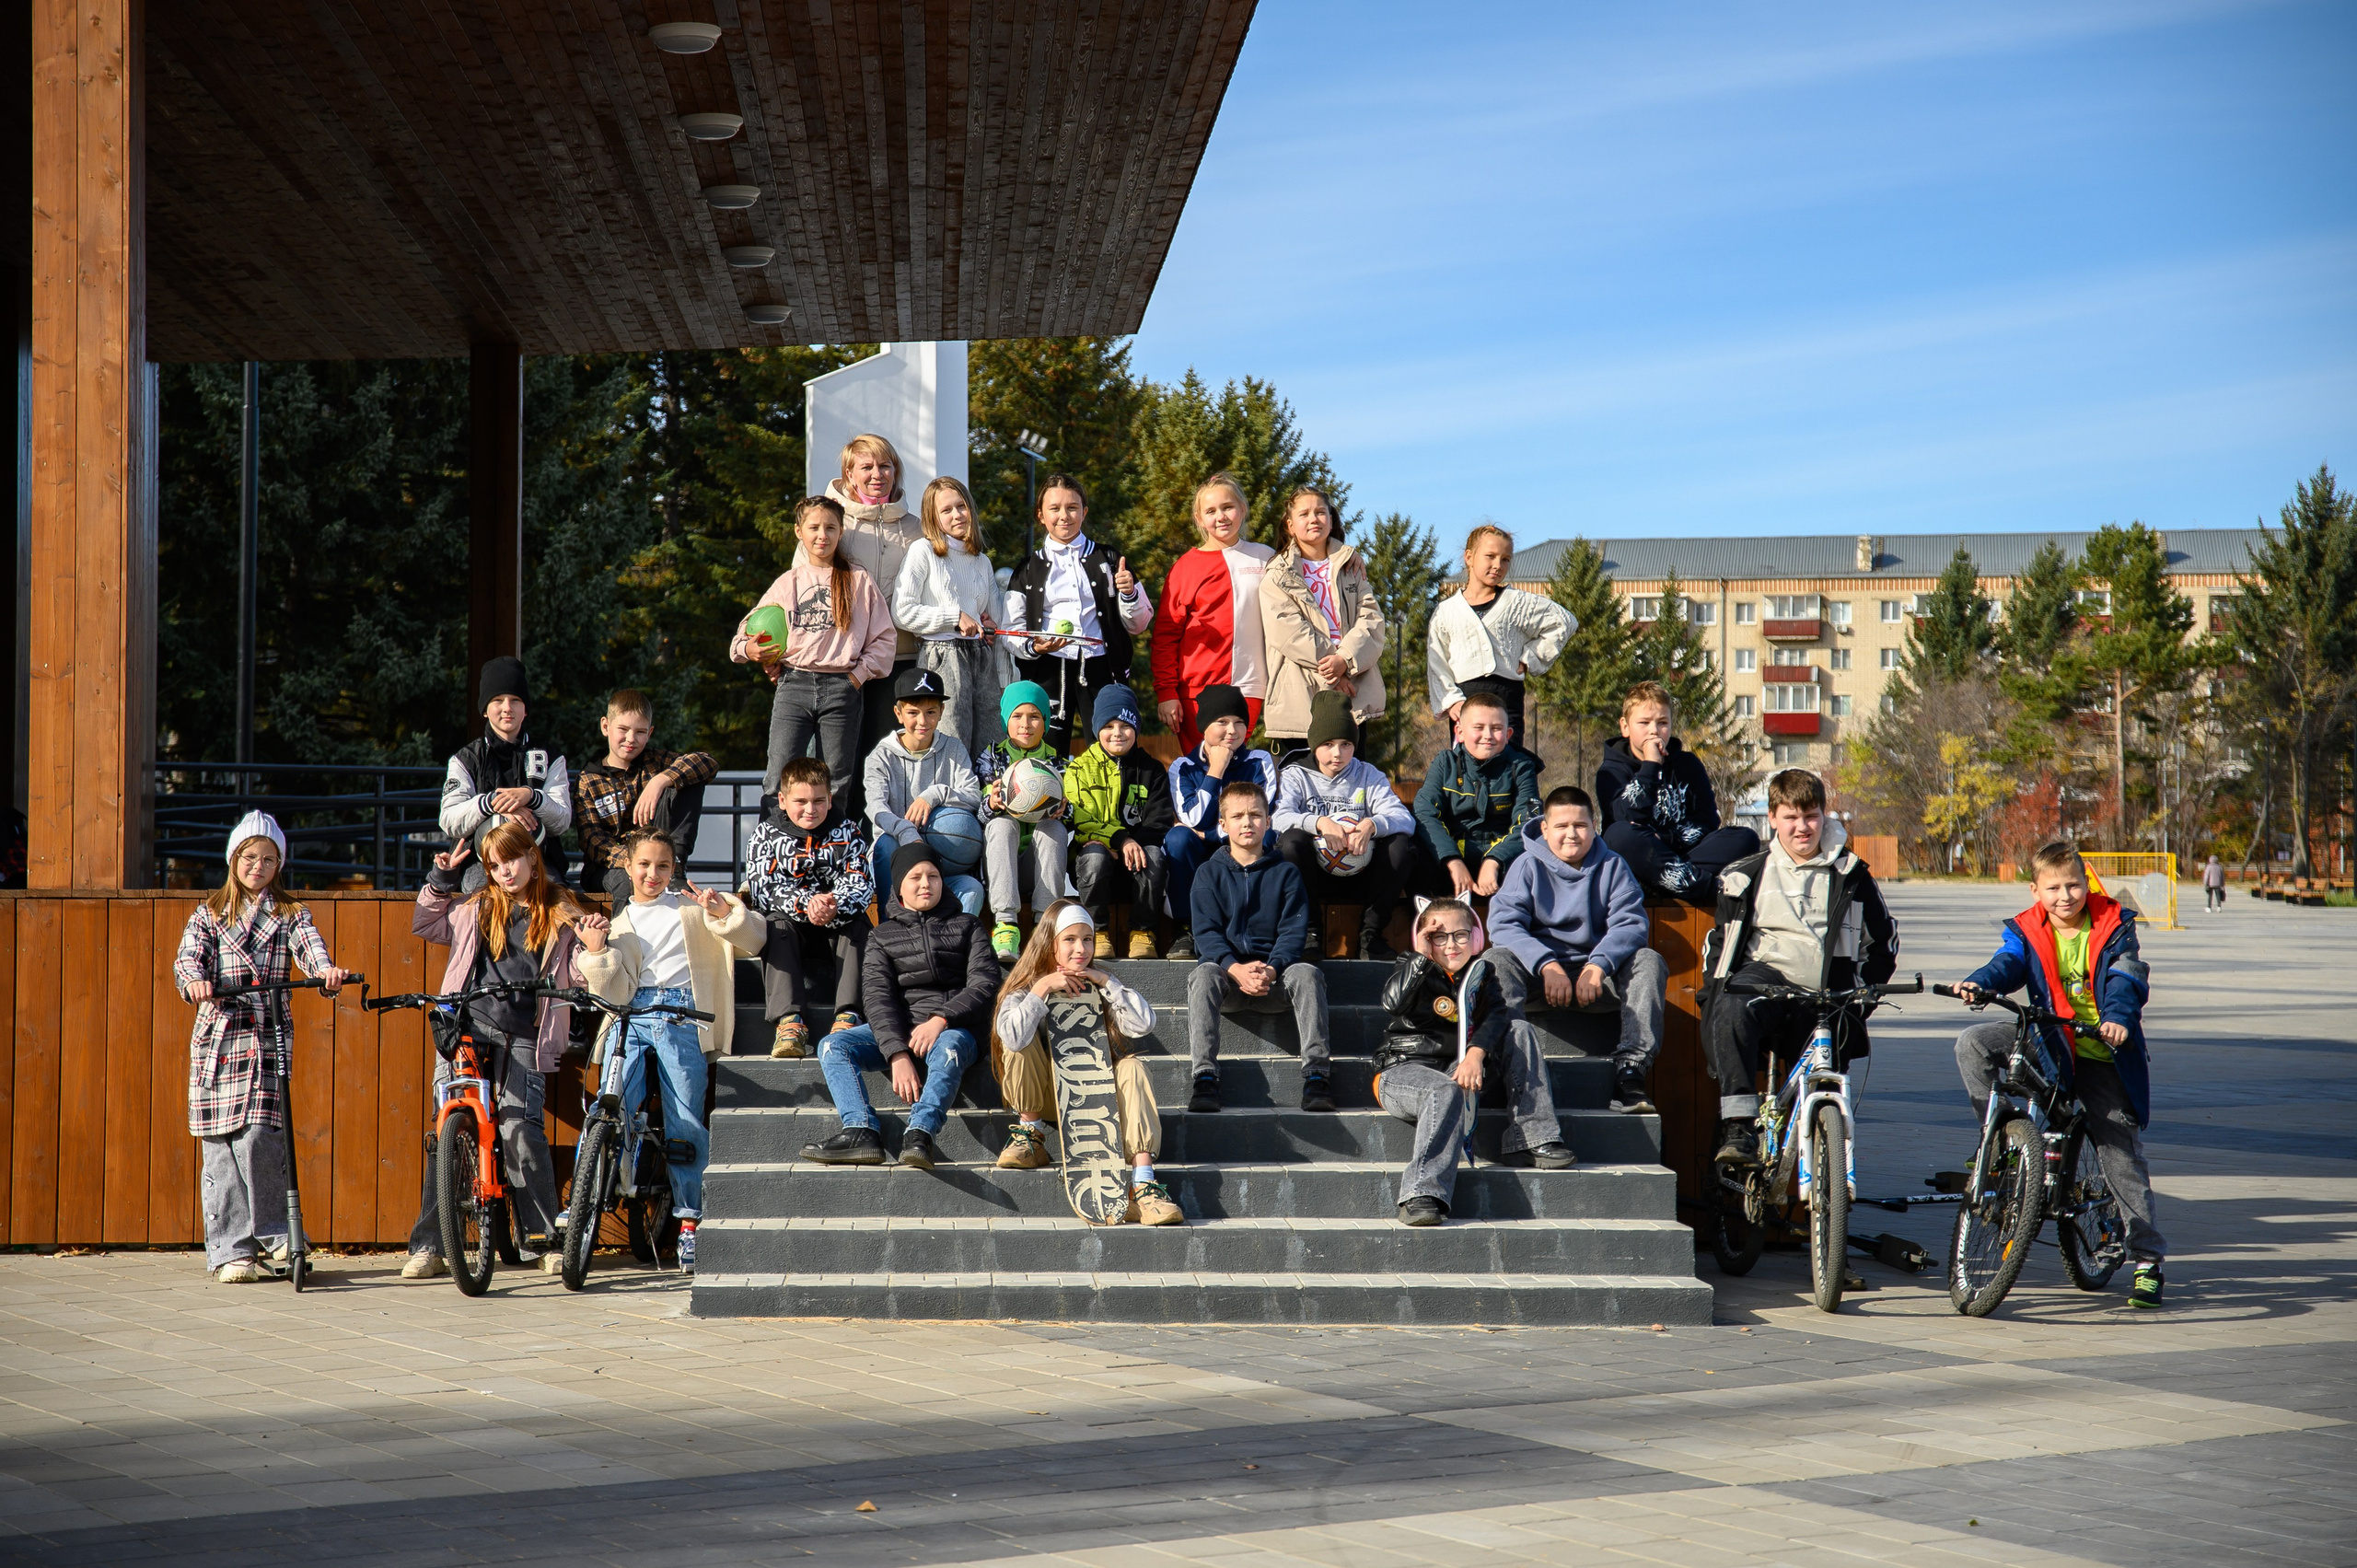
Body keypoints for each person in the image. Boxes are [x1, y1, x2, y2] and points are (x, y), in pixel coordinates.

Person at [1954, 841, 2166, 1307]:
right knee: (1974, 1042)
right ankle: (2000, 1143)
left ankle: (2147, 1262)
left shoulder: (2114, 924)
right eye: (2053, 888)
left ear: (2086, 884)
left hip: (2101, 1052)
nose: (2065, 896)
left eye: (2073, 885)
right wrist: (1979, 982)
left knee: (2121, 1157)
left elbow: (2127, 977)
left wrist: (2117, 1018)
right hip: (2050, 1043)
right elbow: (2008, 963)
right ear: (2035, 891)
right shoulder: (2028, 927)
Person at [401, 821, 598, 1279]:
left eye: (511, 859)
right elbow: (426, 923)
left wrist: (594, 947)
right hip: (466, 1026)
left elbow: (580, 976)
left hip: (526, 1033)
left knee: (520, 1129)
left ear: (532, 857)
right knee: (450, 1128)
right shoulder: (476, 906)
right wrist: (442, 880)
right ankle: (431, 1246)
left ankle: (542, 1238)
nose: (504, 871)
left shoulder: (561, 910)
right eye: (493, 865)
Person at [172, 811, 352, 1283]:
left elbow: (311, 950)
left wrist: (326, 973)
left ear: (280, 865)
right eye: (250, 857)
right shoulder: (209, 913)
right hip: (218, 1039)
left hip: (265, 1036)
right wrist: (194, 982)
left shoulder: (291, 913)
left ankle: (276, 1233)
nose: (258, 866)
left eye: (269, 859)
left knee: (258, 1137)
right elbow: (187, 959)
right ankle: (232, 1251)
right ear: (234, 859)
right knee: (220, 1145)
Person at [575, 830, 763, 1275]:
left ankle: (690, 1222)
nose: (653, 874)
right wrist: (596, 952)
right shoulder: (620, 921)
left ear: (674, 868)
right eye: (644, 864)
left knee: (685, 1121)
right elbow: (609, 993)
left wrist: (724, 912)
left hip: (683, 1015)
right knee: (607, 1107)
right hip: (630, 1015)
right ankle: (584, 1199)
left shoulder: (692, 908)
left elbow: (753, 939)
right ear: (627, 866)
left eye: (663, 865)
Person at [1699, 770, 1898, 1169]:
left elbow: (1884, 943)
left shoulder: (1852, 874)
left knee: (1828, 1086)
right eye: (1790, 817)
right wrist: (1713, 995)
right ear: (1772, 818)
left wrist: (1862, 995)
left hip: (1827, 990)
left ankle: (1828, 1172)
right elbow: (1718, 948)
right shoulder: (1746, 875)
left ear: (1824, 815)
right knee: (1732, 1006)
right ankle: (1739, 1126)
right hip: (1767, 979)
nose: (1802, 827)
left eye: (1810, 816)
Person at [800, 842, 996, 1169]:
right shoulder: (882, 935)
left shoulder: (969, 926)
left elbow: (985, 984)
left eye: (933, 876)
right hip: (900, 1030)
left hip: (954, 1030)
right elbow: (877, 998)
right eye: (915, 877)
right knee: (833, 1045)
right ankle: (860, 1130)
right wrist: (896, 1053)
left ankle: (920, 1133)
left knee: (950, 1045)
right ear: (899, 887)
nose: (926, 884)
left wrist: (940, 1019)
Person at [1376, 899, 1572, 1226]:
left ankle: (1531, 1139)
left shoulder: (1482, 973)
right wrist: (1421, 958)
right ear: (1425, 939)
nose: (1451, 945)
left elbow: (1497, 1017)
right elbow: (1392, 1004)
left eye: (1461, 935)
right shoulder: (1411, 964)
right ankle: (1421, 1193)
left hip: (1461, 1067)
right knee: (1442, 1089)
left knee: (1519, 1029)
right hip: (1405, 1070)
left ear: (1476, 938)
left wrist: (1475, 1054)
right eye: (1439, 937)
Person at [991, 901, 1183, 1225]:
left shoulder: (1102, 982)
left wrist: (1107, 983)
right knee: (1019, 1041)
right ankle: (1030, 1135)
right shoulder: (1026, 987)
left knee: (1133, 1067)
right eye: (1070, 939)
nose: (1081, 949)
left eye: (1088, 939)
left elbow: (1143, 1024)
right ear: (1050, 942)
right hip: (1047, 1096)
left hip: (1097, 1095)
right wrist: (1042, 988)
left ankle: (1143, 1185)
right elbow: (1009, 1036)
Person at [1487, 785, 1668, 1117]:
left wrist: (1598, 966)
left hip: (1597, 982)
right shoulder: (1526, 865)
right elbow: (1503, 925)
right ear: (1545, 828)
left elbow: (1631, 925)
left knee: (1648, 960)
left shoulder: (1613, 866)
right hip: (1540, 980)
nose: (1571, 834)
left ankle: (1630, 1073)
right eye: (1561, 826)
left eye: (1580, 825)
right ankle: (1506, 1063)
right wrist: (1546, 964)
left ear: (1594, 826)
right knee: (1494, 961)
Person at [732, 493, 896, 802]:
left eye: (831, 528)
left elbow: (885, 639)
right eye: (814, 527)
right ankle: (772, 833)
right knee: (779, 773)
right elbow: (745, 633)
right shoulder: (788, 582)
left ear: (841, 532)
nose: (823, 535)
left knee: (836, 779)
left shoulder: (859, 581)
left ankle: (833, 835)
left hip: (843, 688)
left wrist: (857, 677)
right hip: (794, 685)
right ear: (799, 531)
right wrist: (748, 650)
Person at [1186, 781, 1332, 1115]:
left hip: (1275, 980)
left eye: (1255, 815)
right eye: (1237, 816)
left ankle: (1317, 1077)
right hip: (1228, 982)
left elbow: (1293, 933)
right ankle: (1205, 1078)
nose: (1247, 822)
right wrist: (1235, 968)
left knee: (1307, 973)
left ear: (1268, 821)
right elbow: (1205, 934)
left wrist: (1272, 969)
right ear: (1223, 824)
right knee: (1203, 975)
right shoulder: (1208, 873)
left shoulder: (1286, 873)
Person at [1004, 472, 1155, 756]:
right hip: (1047, 669)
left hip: (1102, 667)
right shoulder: (1026, 569)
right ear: (1041, 515)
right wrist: (1034, 647)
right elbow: (1010, 631)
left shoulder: (1111, 559)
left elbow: (1139, 624)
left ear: (1085, 512)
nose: (1064, 515)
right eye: (1055, 508)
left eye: (1072, 507)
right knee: (1046, 752)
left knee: (1110, 749)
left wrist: (1129, 593)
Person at [812, 434, 925, 789]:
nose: (877, 474)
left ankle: (879, 825)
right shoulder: (829, 522)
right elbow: (801, 587)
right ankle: (837, 825)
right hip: (839, 660)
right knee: (836, 759)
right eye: (867, 467)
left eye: (885, 466)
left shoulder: (916, 528)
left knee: (885, 758)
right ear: (849, 473)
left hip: (897, 659)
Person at [741, 756, 872, 1060]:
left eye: (818, 801)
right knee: (775, 924)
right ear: (782, 800)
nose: (810, 809)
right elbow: (763, 889)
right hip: (791, 930)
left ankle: (849, 1017)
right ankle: (789, 1022)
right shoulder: (765, 834)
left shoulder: (849, 832)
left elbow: (861, 884)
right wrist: (806, 903)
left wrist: (834, 904)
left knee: (859, 924)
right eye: (800, 801)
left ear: (830, 799)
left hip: (836, 925)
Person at [1271, 690, 1417, 959]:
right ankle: (1310, 933)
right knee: (1291, 843)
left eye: (1346, 744)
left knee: (1401, 846)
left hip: (1360, 870)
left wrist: (1371, 825)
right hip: (1313, 877)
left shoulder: (1368, 774)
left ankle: (1371, 936)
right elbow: (1279, 818)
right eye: (1328, 744)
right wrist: (1319, 822)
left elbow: (1404, 818)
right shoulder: (1296, 774)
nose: (1337, 753)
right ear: (1314, 743)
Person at [1594, 681, 1759, 901]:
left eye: (1662, 722)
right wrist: (1651, 765)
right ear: (1625, 727)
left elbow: (1707, 821)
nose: (1654, 730)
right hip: (1639, 858)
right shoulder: (1611, 772)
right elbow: (1625, 818)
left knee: (1745, 838)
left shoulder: (1688, 764)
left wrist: (1666, 838)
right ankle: (1708, 888)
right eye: (1644, 722)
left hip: (1682, 853)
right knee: (1618, 835)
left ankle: (1662, 885)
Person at [1152, 473, 1277, 752]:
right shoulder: (1185, 567)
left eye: (1228, 507)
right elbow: (1165, 637)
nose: (1221, 516)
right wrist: (1166, 691)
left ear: (1242, 508)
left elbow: (1309, 566)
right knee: (1205, 769)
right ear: (1199, 518)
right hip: (1197, 692)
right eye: (1211, 511)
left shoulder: (1266, 557)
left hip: (1250, 687)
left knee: (1234, 768)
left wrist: (1344, 552)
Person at [892, 475, 1016, 756]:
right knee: (951, 744)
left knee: (990, 745)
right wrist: (954, 617)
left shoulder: (981, 560)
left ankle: (988, 788)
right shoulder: (923, 552)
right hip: (942, 657)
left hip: (981, 658)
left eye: (961, 506)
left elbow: (998, 625)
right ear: (933, 517)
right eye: (946, 510)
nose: (957, 515)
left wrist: (1003, 678)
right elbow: (902, 611)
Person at [1260, 486, 1385, 756]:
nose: (1313, 519)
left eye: (1320, 512)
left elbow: (1372, 620)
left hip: (1352, 694)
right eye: (1304, 514)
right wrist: (1333, 669)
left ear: (1331, 519)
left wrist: (1345, 660)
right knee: (1301, 776)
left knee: (1350, 773)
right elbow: (1288, 632)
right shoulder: (1277, 574)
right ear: (1290, 525)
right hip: (1300, 695)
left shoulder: (1350, 567)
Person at [1425, 524, 1573, 749]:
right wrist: (1451, 700)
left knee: (1510, 763)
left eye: (1505, 559)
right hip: (1465, 701)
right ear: (1469, 557)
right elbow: (1437, 662)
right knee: (1467, 764)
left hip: (1507, 700)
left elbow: (1564, 622)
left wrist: (1531, 657)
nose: (1498, 565)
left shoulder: (1518, 602)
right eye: (1490, 556)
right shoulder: (1446, 611)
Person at [1162, 684, 1278, 958]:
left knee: (1269, 837)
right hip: (1199, 853)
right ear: (1204, 726)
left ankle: (1254, 928)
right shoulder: (1183, 767)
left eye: (1239, 722)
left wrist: (1210, 835)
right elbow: (1193, 818)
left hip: (1243, 847)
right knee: (1178, 839)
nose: (1232, 730)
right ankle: (1186, 928)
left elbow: (1259, 818)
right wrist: (1216, 769)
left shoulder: (1259, 761)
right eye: (1222, 722)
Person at [863, 666, 987, 917]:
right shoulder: (881, 756)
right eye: (913, 712)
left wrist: (934, 794)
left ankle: (956, 939)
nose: (922, 721)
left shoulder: (953, 748)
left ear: (942, 712)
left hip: (941, 862)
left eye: (931, 712)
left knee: (971, 887)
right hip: (898, 855)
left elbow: (974, 795)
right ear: (898, 713)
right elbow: (876, 808)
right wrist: (906, 831)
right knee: (886, 843)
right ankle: (891, 926)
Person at [572, 689, 717, 902]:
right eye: (623, 729)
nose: (631, 739)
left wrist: (661, 780)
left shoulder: (656, 762)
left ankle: (675, 863)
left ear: (649, 733)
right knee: (628, 882)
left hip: (659, 860)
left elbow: (707, 762)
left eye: (640, 732)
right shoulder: (588, 779)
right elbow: (592, 841)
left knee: (687, 778)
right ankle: (624, 926)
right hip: (609, 867)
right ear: (605, 726)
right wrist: (638, 860)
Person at [440, 655, 571, 889]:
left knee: (554, 896)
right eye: (498, 700)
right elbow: (449, 820)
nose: (507, 708)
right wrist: (492, 803)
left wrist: (531, 797)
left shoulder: (551, 756)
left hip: (540, 860)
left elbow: (561, 821)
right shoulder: (465, 759)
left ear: (526, 709)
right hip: (481, 863)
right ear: (485, 709)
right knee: (481, 895)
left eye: (515, 700)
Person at [1067, 685, 1176, 960]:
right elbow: (1082, 820)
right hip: (1096, 864)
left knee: (1154, 855)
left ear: (1136, 728)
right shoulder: (1078, 768)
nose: (1117, 733)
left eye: (1126, 725)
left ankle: (1143, 932)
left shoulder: (1152, 770)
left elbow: (1160, 820)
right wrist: (1118, 841)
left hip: (1136, 868)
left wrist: (1132, 845)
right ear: (1097, 730)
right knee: (1094, 855)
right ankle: (1097, 931)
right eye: (1109, 726)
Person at [976, 679, 1073, 961]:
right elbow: (977, 816)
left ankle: (1045, 924)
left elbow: (1072, 819)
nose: (1025, 724)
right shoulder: (991, 758)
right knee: (1001, 824)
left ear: (1046, 722)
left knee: (1054, 828)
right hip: (1000, 865)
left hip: (1035, 865)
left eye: (1034, 717)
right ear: (1005, 720)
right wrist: (991, 804)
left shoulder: (1059, 764)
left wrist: (1063, 811)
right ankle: (1006, 924)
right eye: (1017, 716)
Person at [1412, 691, 1541, 900]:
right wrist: (1452, 860)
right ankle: (1428, 915)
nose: (1488, 735)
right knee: (1414, 848)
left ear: (1508, 734)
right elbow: (1424, 813)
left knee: (1538, 850)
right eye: (1479, 728)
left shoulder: (1522, 767)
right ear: (1460, 733)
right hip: (1451, 865)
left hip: (1502, 865)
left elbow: (1529, 822)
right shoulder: (1445, 763)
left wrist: (1495, 860)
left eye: (1496, 728)